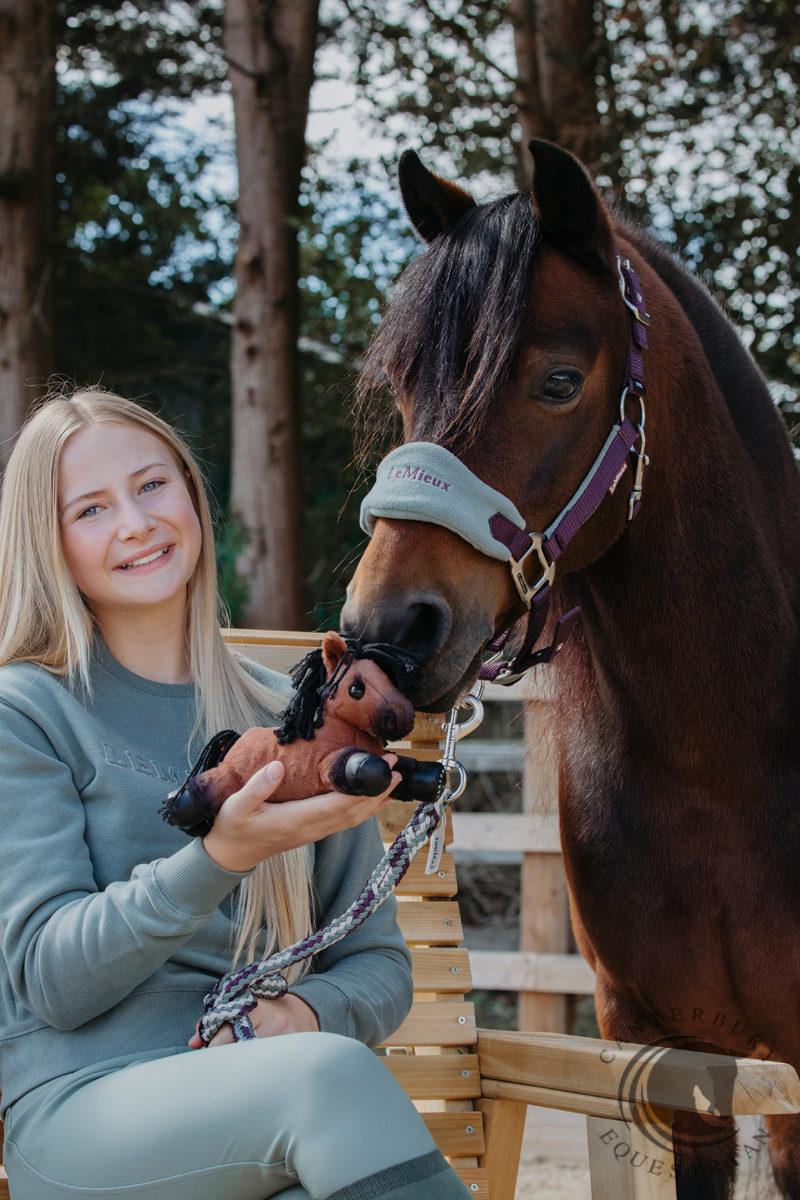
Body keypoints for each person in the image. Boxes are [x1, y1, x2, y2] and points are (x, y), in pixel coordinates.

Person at [0, 389, 471, 1200]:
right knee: (326, 1079)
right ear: (49, 543)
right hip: (82, 1115)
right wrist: (219, 858)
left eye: (153, 485)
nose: (137, 523)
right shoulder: (26, 713)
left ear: (191, 492)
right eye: (91, 509)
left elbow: (378, 963)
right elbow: (51, 979)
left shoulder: (294, 721)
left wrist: (303, 1016)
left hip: (264, 1108)